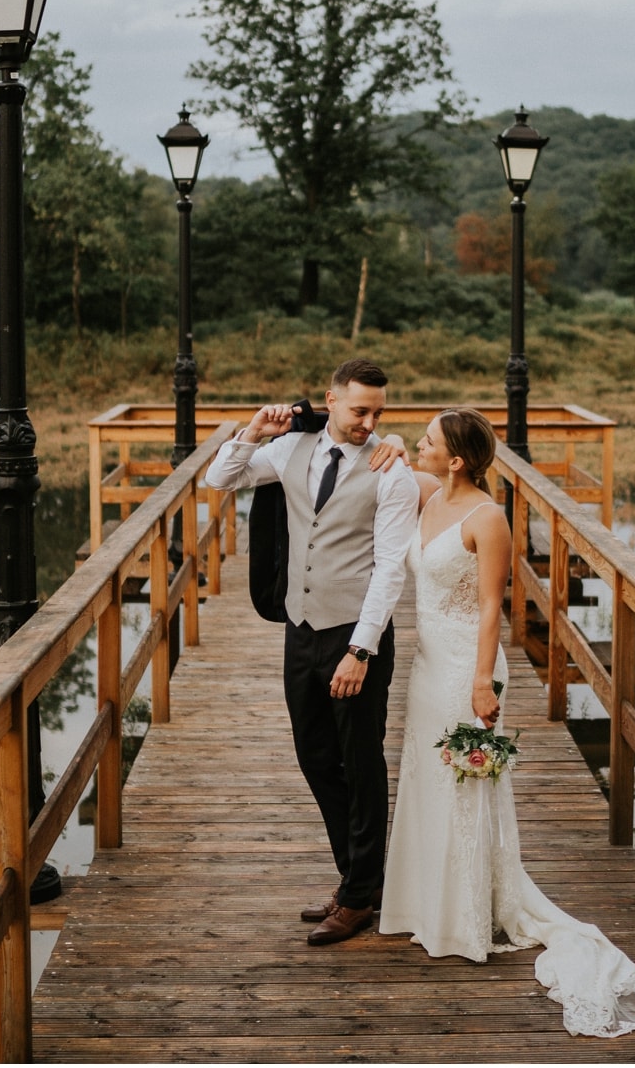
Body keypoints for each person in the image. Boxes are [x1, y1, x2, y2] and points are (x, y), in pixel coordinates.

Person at [379, 408, 635, 1038]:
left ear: (456, 459)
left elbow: (490, 609)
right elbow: (390, 455)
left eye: (429, 440)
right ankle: (426, 901)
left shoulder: (488, 518)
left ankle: (463, 916)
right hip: (426, 665)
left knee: (462, 784)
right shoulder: (428, 494)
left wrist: (483, 682)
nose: (420, 444)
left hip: (465, 666)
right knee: (428, 779)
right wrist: (396, 442)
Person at [203, 358, 420, 946]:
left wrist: (360, 650)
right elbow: (219, 480)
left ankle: (357, 897)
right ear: (331, 399)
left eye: (378, 412)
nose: (368, 422)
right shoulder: (291, 451)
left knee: (361, 758)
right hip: (301, 629)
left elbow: (390, 571)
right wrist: (251, 432)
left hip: (356, 634)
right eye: (358, 410)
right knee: (315, 757)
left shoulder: (390, 473)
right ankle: (358, 877)